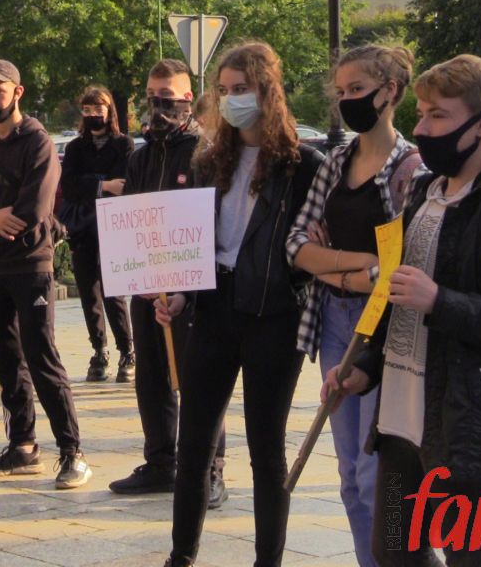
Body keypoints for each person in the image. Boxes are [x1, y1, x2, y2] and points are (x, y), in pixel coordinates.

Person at [324, 54, 481, 567]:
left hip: (472, 429)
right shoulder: (423, 193)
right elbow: (398, 306)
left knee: (472, 556)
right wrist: (365, 368)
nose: (422, 128)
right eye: (421, 114)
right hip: (401, 425)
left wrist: (441, 301)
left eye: (438, 116)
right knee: (393, 550)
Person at [156, 42, 323, 567]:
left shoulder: (303, 165)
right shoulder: (210, 159)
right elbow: (197, 243)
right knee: (193, 445)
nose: (231, 100)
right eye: (225, 91)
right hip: (214, 309)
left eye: (242, 89)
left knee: (266, 450)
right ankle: (181, 556)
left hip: (274, 316)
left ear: (268, 92)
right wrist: (181, 293)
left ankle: (267, 560)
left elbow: (306, 249)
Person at [285, 44, 421, 567]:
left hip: (385, 330)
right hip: (334, 322)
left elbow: (399, 268)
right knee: (348, 475)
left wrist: (331, 263)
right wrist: (354, 267)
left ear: (390, 92)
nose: (347, 101)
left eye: (357, 90)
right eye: (341, 92)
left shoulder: (411, 169)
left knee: (374, 475)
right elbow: (297, 245)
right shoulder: (337, 162)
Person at [0, 59, 92, 489]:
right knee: (5, 361)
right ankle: (22, 445)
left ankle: (72, 452)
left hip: (30, 266)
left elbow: (33, 210)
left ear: (17, 92)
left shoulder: (38, 143)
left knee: (41, 357)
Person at [107, 61, 227, 508]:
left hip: (192, 290)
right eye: (152, 96)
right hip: (147, 286)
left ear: (188, 99)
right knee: (152, 377)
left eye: (168, 97)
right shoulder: (140, 157)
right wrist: (135, 275)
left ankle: (211, 469)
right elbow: (131, 217)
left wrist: (187, 291)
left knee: (198, 380)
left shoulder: (205, 153)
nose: (158, 106)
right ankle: (160, 462)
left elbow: (214, 222)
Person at [58, 85, 134, 383]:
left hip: (113, 226)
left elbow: (124, 183)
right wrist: (103, 185)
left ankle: (127, 350)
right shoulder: (76, 147)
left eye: (98, 109)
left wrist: (91, 184)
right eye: (87, 110)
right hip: (82, 228)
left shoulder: (123, 143)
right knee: (88, 291)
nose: (93, 115)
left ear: (109, 110)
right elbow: (69, 186)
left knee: (114, 291)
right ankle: (99, 350)